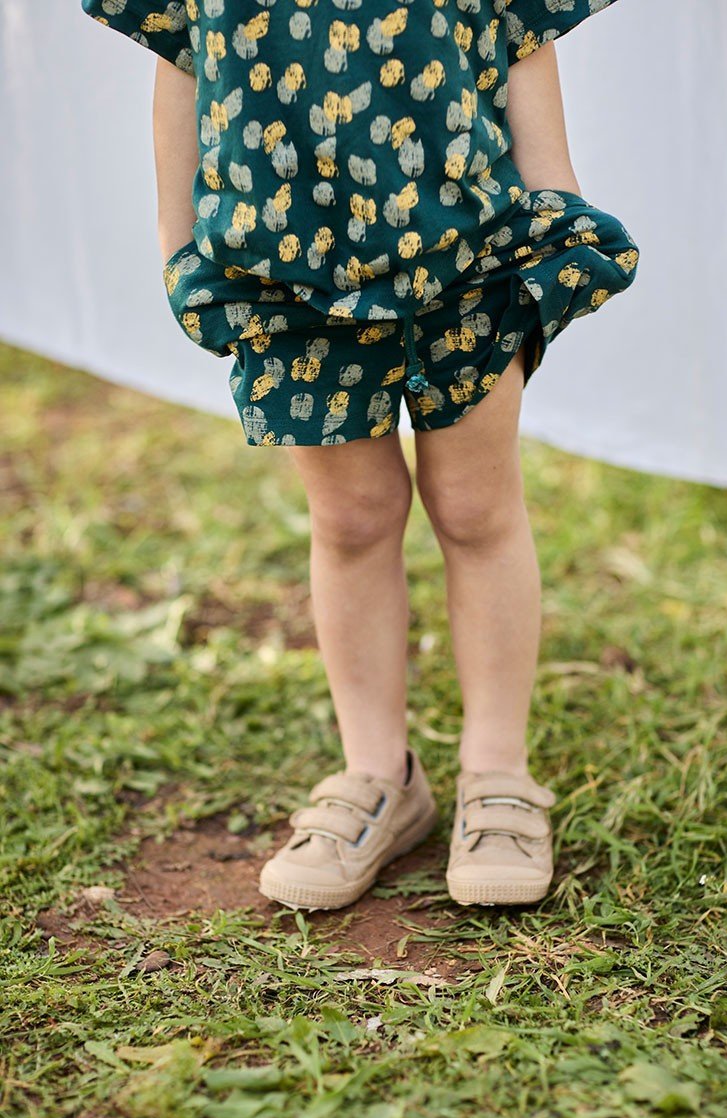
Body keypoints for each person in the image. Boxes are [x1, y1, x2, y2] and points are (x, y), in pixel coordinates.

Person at [81, 0, 639, 911]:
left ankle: (499, 771)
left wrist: (557, 206)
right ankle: (378, 773)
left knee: (475, 508)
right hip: (280, 268)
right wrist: (177, 240)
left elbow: (520, 38)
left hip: (469, 255)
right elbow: (182, 60)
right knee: (351, 517)